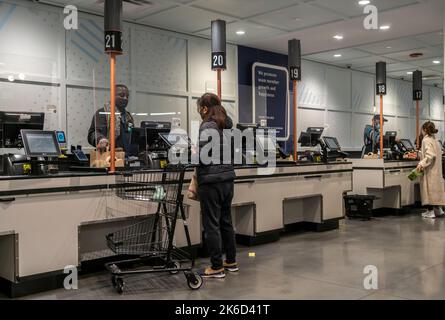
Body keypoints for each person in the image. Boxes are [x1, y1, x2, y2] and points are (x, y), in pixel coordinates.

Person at [196, 93, 237, 279]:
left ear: (204, 108)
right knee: (226, 221)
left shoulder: (207, 125)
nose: (199, 112)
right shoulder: (226, 124)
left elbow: (203, 155)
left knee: (211, 224)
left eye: (199, 108)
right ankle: (231, 262)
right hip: (228, 180)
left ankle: (216, 267)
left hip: (211, 181)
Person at [87, 84, 135, 155]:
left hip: (128, 156)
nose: (125, 98)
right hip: (108, 156)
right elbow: (93, 133)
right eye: (121, 95)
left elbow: (131, 133)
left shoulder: (129, 117)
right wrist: (101, 139)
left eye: (127, 96)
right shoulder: (103, 113)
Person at [416, 121, 445, 219]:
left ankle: (430, 211)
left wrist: (421, 163)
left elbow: (430, 155)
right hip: (436, 169)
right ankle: (438, 210)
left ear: (424, 130)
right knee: (436, 190)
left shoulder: (426, 140)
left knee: (429, 190)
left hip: (430, 170)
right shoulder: (435, 140)